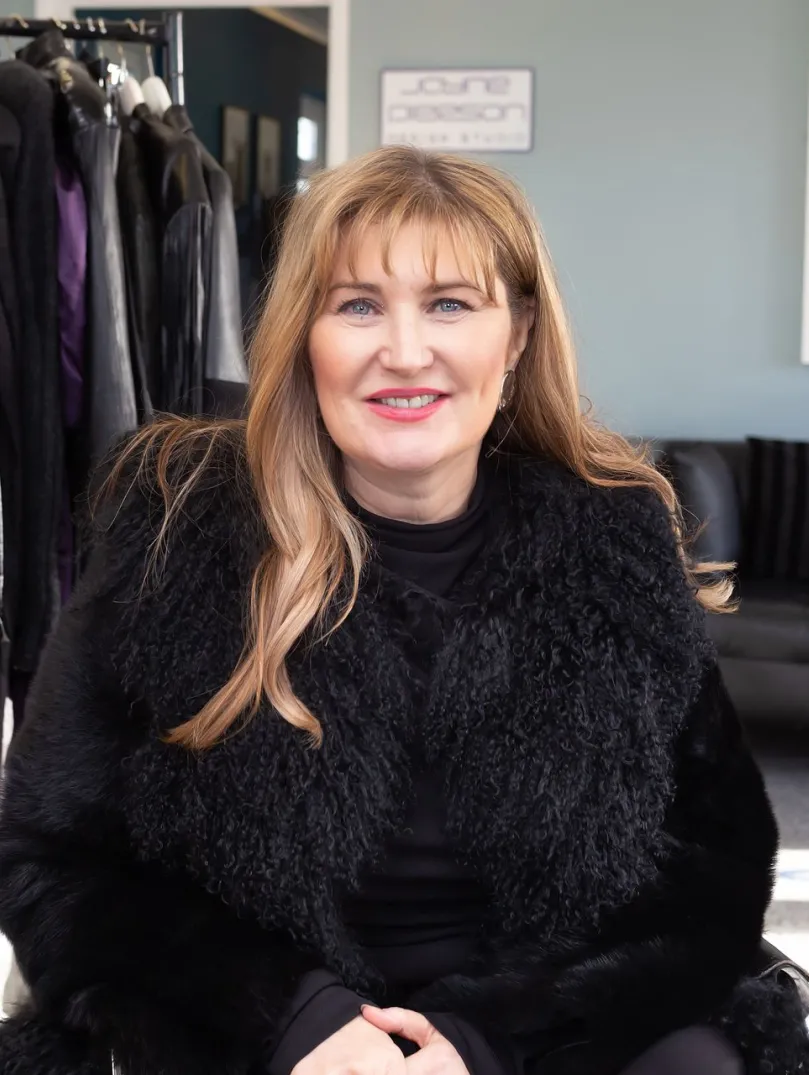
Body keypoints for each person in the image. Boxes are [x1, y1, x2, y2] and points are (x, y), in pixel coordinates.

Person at [0, 146, 802, 1075]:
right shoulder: (174, 534)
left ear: (518, 334)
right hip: (251, 1026)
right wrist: (297, 1020)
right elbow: (47, 857)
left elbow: (713, 863)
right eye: (358, 305)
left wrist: (481, 1037)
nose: (405, 350)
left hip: (539, 1025)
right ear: (306, 333)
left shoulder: (612, 543)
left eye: (450, 303)